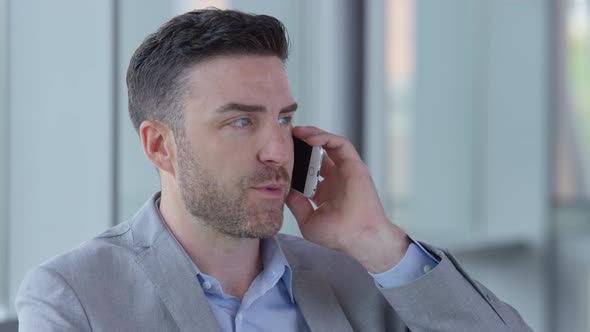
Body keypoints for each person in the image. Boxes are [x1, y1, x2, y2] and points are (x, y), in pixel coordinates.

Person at [16, 9, 531, 332]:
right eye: (241, 121)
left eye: (284, 119)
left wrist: (377, 241)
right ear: (159, 146)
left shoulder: (355, 275)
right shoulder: (74, 297)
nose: (277, 151)